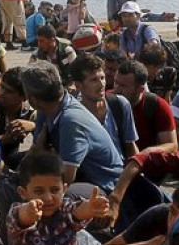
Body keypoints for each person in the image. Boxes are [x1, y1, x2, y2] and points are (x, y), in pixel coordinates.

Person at [5, 150, 110, 245]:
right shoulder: (17, 211)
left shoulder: (64, 209)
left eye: (55, 190)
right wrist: (28, 212)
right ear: (23, 192)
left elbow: (76, 212)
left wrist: (90, 209)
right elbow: (19, 218)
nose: (48, 198)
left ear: (64, 189)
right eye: (39, 191)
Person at [24, 61, 123, 195]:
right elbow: (36, 151)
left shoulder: (71, 120)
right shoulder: (47, 110)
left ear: (33, 100)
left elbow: (66, 178)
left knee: (55, 195)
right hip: (83, 175)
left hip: (105, 185)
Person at [71, 55, 138, 160]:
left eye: (102, 78)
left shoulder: (119, 104)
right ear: (78, 85)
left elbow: (130, 146)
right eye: (94, 80)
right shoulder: (73, 115)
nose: (101, 84)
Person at [112, 59, 177, 153]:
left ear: (140, 90)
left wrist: (147, 153)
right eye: (116, 83)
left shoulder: (158, 106)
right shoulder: (107, 101)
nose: (117, 90)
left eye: (123, 86)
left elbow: (172, 145)